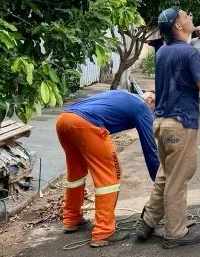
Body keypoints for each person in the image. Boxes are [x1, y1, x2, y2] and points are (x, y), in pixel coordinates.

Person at [135, 6, 200, 249]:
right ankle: (175, 232)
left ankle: (148, 221)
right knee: (178, 178)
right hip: (180, 124)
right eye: (186, 16)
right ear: (177, 25)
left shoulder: (162, 51)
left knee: (166, 174)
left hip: (161, 123)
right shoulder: (189, 53)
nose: (190, 17)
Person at [56, 89, 159, 247]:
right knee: (110, 175)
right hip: (86, 124)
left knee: (76, 173)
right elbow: (149, 147)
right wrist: (158, 180)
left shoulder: (124, 94)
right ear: (151, 101)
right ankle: (104, 231)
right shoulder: (142, 107)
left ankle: (71, 218)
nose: (152, 115)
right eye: (154, 111)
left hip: (64, 120)